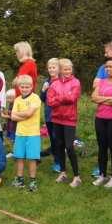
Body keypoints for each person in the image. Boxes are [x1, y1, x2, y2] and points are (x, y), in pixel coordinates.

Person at [47, 58, 82, 188]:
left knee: (69, 146)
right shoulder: (54, 84)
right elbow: (50, 102)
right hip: (56, 118)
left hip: (69, 119)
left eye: (69, 69)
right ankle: (63, 172)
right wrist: (63, 97)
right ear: (60, 70)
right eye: (64, 69)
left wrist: (59, 98)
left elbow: (72, 98)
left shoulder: (76, 82)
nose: (67, 71)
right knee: (59, 145)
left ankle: (77, 176)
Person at [91, 57, 112, 188]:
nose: (108, 69)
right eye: (106, 67)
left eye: (111, 67)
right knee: (102, 148)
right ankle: (102, 175)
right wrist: (108, 99)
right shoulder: (101, 82)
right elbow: (93, 97)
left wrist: (101, 99)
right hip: (100, 118)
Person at [10, 75, 41, 192]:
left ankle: (32, 181)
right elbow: (12, 117)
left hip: (33, 134)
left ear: (32, 87)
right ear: (19, 87)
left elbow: (29, 113)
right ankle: (20, 179)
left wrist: (19, 115)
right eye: (22, 87)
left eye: (27, 87)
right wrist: (24, 115)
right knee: (19, 157)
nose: (24, 89)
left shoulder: (35, 98)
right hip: (20, 133)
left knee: (32, 158)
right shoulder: (17, 100)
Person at [40, 58, 61, 172]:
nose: (51, 69)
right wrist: (43, 90)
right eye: (50, 67)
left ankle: (59, 162)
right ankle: (56, 160)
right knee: (52, 139)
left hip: (58, 115)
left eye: (54, 67)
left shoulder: (61, 81)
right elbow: (42, 99)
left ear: (59, 68)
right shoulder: (47, 81)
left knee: (57, 139)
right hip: (48, 115)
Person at [1, 89, 18, 157]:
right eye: (7, 98)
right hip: (11, 125)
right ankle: (15, 152)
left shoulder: (15, 105)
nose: (8, 100)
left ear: (15, 98)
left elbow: (12, 116)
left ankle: (15, 152)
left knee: (15, 139)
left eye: (9, 98)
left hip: (14, 126)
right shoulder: (11, 104)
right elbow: (9, 113)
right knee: (13, 139)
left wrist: (3, 115)